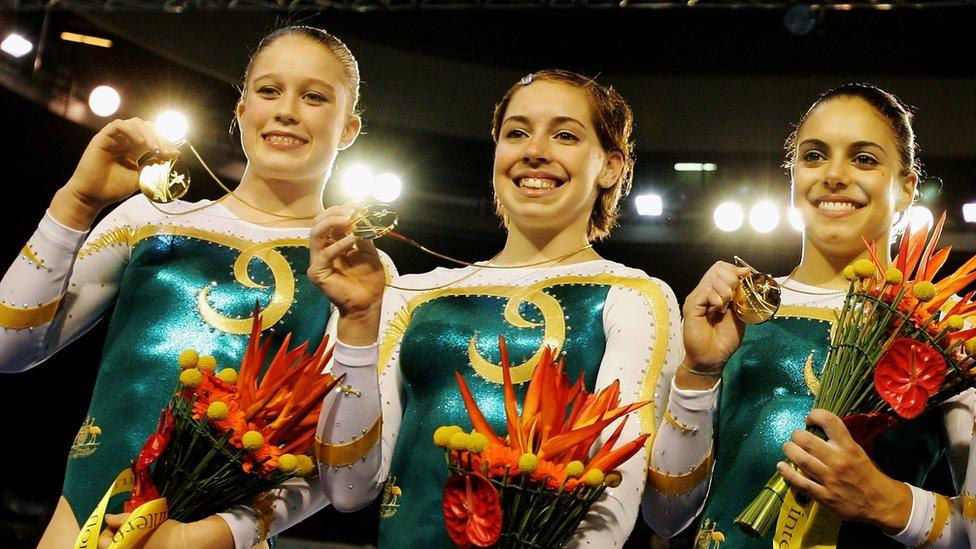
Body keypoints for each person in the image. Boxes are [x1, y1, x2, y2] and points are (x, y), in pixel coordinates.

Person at [0, 25, 386, 549]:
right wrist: (75, 203)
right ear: (242, 108)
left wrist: (227, 531)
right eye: (268, 90)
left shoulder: (355, 267)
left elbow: (341, 475)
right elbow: (8, 349)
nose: (287, 110)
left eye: (314, 97)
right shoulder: (150, 219)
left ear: (349, 128)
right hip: (82, 526)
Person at [308, 69, 683, 546]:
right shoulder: (415, 292)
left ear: (610, 166)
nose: (534, 150)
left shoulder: (632, 296)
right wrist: (358, 324)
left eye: (565, 135)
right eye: (516, 133)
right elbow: (347, 489)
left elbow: (616, 489)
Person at [644, 83, 974, 547]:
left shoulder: (945, 331)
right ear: (792, 176)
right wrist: (698, 371)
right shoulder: (728, 315)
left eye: (864, 158)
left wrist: (886, 501)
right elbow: (666, 518)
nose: (834, 174)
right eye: (814, 155)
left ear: (906, 188)